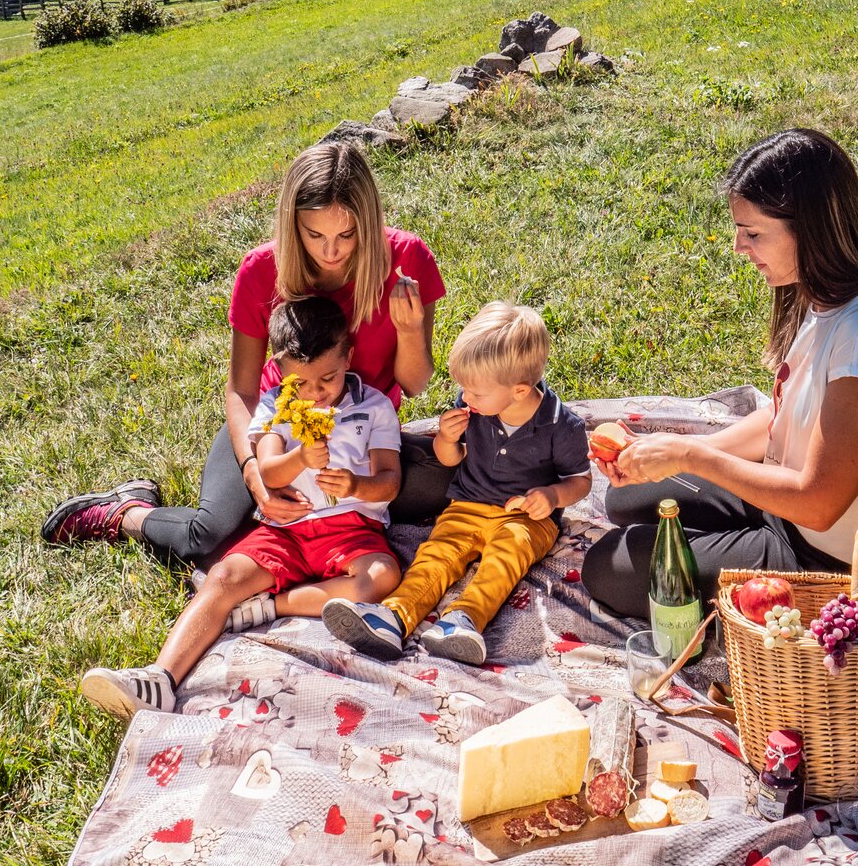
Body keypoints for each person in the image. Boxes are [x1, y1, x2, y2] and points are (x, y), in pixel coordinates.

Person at [581, 128, 858, 617]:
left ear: (811, 227)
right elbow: (784, 412)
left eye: (753, 233)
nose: (737, 247)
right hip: (780, 504)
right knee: (631, 497)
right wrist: (673, 456)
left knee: (607, 565)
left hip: (833, 560)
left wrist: (690, 454)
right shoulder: (827, 295)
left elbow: (818, 504)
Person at [41, 140, 448, 562]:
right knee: (209, 536)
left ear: (369, 220)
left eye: (347, 234)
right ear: (293, 225)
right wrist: (255, 474)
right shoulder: (262, 270)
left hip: (359, 436)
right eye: (315, 235)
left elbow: (414, 384)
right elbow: (241, 391)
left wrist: (411, 329)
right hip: (275, 429)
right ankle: (127, 511)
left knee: (451, 483)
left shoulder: (405, 259)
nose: (332, 251)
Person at [77, 297, 403, 718]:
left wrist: (357, 483)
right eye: (300, 384)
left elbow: (389, 482)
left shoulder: (372, 405)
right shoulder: (274, 407)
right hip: (288, 527)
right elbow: (267, 470)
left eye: (329, 378)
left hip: (352, 530)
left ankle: (269, 607)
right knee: (224, 575)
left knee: (382, 576)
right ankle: (160, 678)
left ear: (349, 357)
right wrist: (301, 457)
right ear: (281, 372)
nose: (317, 393)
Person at [323, 302, 591, 664]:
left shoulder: (561, 425)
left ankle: (463, 621)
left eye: (475, 392)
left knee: (503, 563)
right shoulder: (473, 406)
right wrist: (446, 441)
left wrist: (552, 495)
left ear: (520, 391)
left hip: (525, 518)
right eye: (463, 387)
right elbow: (451, 458)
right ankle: (391, 617)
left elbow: (581, 480)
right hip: (468, 504)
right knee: (436, 556)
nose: (466, 397)